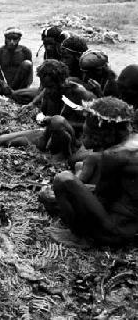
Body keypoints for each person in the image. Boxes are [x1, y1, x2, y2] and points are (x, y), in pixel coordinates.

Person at [48, 97, 138, 246]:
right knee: (80, 169)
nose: (86, 138)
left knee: (63, 180)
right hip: (132, 226)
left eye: (88, 133)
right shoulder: (132, 142)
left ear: (101, 134)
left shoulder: (114, 156)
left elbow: (102, 200)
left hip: (116, 232)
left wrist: (59, 197)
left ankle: (79, 236)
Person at [0, 59, 94, 159]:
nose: (47, 90)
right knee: (1, 140)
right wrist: (35, 110)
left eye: (51, 87)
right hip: (48, 133)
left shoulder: (79, 93)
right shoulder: (49, 91)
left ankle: (62, 153)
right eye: (45, 86)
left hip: (72, 138)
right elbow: (44, 112)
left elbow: (92, 125)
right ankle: (46, 145)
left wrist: (61, 122)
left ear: (61, 82)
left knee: (58, 122)